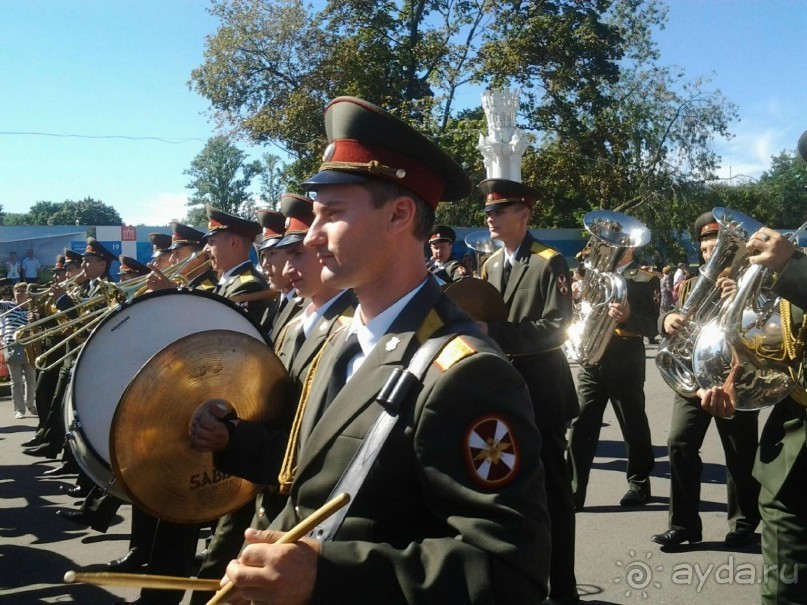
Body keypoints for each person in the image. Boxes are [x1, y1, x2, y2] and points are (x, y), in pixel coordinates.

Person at [219, 96, 550, 604]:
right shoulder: (337, 339)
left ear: (398, 214)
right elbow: (305, 485)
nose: (311, 239)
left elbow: (508, 570)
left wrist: (326, 578)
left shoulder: (466, 373)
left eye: (331, 213)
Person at [187, 193, 356, 605]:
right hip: (263, 490)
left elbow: (321, 448)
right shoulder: (298, 320)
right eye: (285, 255)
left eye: (300, 253)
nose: (288, 267)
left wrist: (234, 438)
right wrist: (226, 413)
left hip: (297, 510)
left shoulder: (349, 329)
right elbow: (270, 400)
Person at [477, 177, 579, 605]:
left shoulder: (549, 262)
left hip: (541, 391)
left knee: (554, 494)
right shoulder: (488, 266)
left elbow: (558, 327)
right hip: (499, 393)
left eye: (499, 211)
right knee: (504, 491)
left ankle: (564, 588)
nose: (490, 218)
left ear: (524, 214)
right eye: (488, 212)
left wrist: (495, 333)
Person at [700, 225, 807, 604]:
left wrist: (793, 266)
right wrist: (735, 379)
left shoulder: (796, 262)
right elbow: (776, 339)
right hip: (793, 443)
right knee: (784, 589)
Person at [650, 211, 759, 548]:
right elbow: (672, 314)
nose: (711, 248)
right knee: (680, 444)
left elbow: (764, 330)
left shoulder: (754, 283)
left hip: (735, 379)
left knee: (739, 453)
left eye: (718, 242)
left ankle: (744, 521)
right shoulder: (691, 286)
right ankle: (683, 524)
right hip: (694, 379)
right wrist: (666, 319)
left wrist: (740, 299)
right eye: (707, 243)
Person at [567, 240, 660, 509]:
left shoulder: (646, 279)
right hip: (592, 357)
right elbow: (581, 314)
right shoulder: (593, 275)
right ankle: (573, 489)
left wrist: (628, 316)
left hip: (625, 356)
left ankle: (639, 484)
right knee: (581, 423)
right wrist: (575, 297)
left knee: (632, 424)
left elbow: (653, 325)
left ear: (630, 250)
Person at [203, 205, 270, 322]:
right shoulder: (229, 280)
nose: (206, 250)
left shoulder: (248, 285)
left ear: (233, 243)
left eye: (212, 242)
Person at [1, 283, 36, 419]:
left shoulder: (32, 308)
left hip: (29, 345)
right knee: (16, 382)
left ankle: (30, 404)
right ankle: (19, 410)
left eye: (23, 291)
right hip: (12, 345)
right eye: (17, 291)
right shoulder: (8, 306)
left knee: (31, 379)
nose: (20, 293)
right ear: (14, 293)